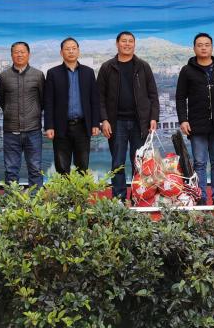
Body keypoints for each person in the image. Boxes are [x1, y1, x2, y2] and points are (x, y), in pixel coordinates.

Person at [175, 32, 214, 205]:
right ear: (194, 48)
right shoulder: (187, 70)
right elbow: (180, 97)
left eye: (207, 44)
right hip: (196, 124)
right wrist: (183, 120)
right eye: (200, 45)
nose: (203, 48)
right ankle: (200, 197)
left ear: (212, 47)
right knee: (199, 163)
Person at [97, 31, 159, 201]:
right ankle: (119, 199)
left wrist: (153, 117)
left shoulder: (143, 66)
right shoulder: (107, 67)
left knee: (139, 163)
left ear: (134, 44)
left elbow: (153, 94)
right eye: (123, 41)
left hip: (140, 123)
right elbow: (99, 97)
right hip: (116, 123)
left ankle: (138, 197)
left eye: (130, 41)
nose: (127, 44)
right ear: (117, 44)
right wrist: (104, 120)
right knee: (118, 163)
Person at [43, 37, 101, 175]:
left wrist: (95, 124)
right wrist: (49, 126)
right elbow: (48, 101)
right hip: (61, 127)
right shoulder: (53, 73)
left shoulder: (88, 72)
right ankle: (65, 190)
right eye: (67, 49)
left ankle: (81, 190)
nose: (71, 51)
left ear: (78, 51)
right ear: (61, 52)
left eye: (74, 48)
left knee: (83, 166)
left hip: (82, 126)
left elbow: (94, 100)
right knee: (62, 167)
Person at [0, 41, 45, 188]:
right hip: (11, 131)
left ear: (28, 54)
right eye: (16, 52)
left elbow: (42, 101)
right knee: (11, 170)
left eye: (22, 52)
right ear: (11, 55)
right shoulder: (4, 76)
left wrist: (33, 113)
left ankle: (36, 200)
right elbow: (2, 101)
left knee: (35, 169)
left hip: (33, 130)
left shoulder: (38, 75)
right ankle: (12, 200)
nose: (19, 55)